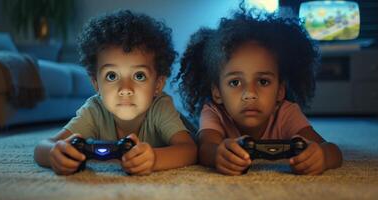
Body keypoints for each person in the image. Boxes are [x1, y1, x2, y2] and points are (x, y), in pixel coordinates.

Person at [175, 8, 343, 176]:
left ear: (280, 90)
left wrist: (322, 156)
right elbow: (205, 148)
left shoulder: (286, 113)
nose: (250, 93)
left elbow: (332, 150)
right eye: (235, 82)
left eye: (263, 81)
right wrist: (218, 154)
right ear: (217, 91)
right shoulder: (213, 111)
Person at [34, 10, 197, 175]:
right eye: (112, 76)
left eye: (139, 76)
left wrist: (154, 158)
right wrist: (55, 153)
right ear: (96, 83)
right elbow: (43, 146)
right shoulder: (95, 109)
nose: (125, 89)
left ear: (158, 84)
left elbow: (189, 149)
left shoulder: (160, 106)